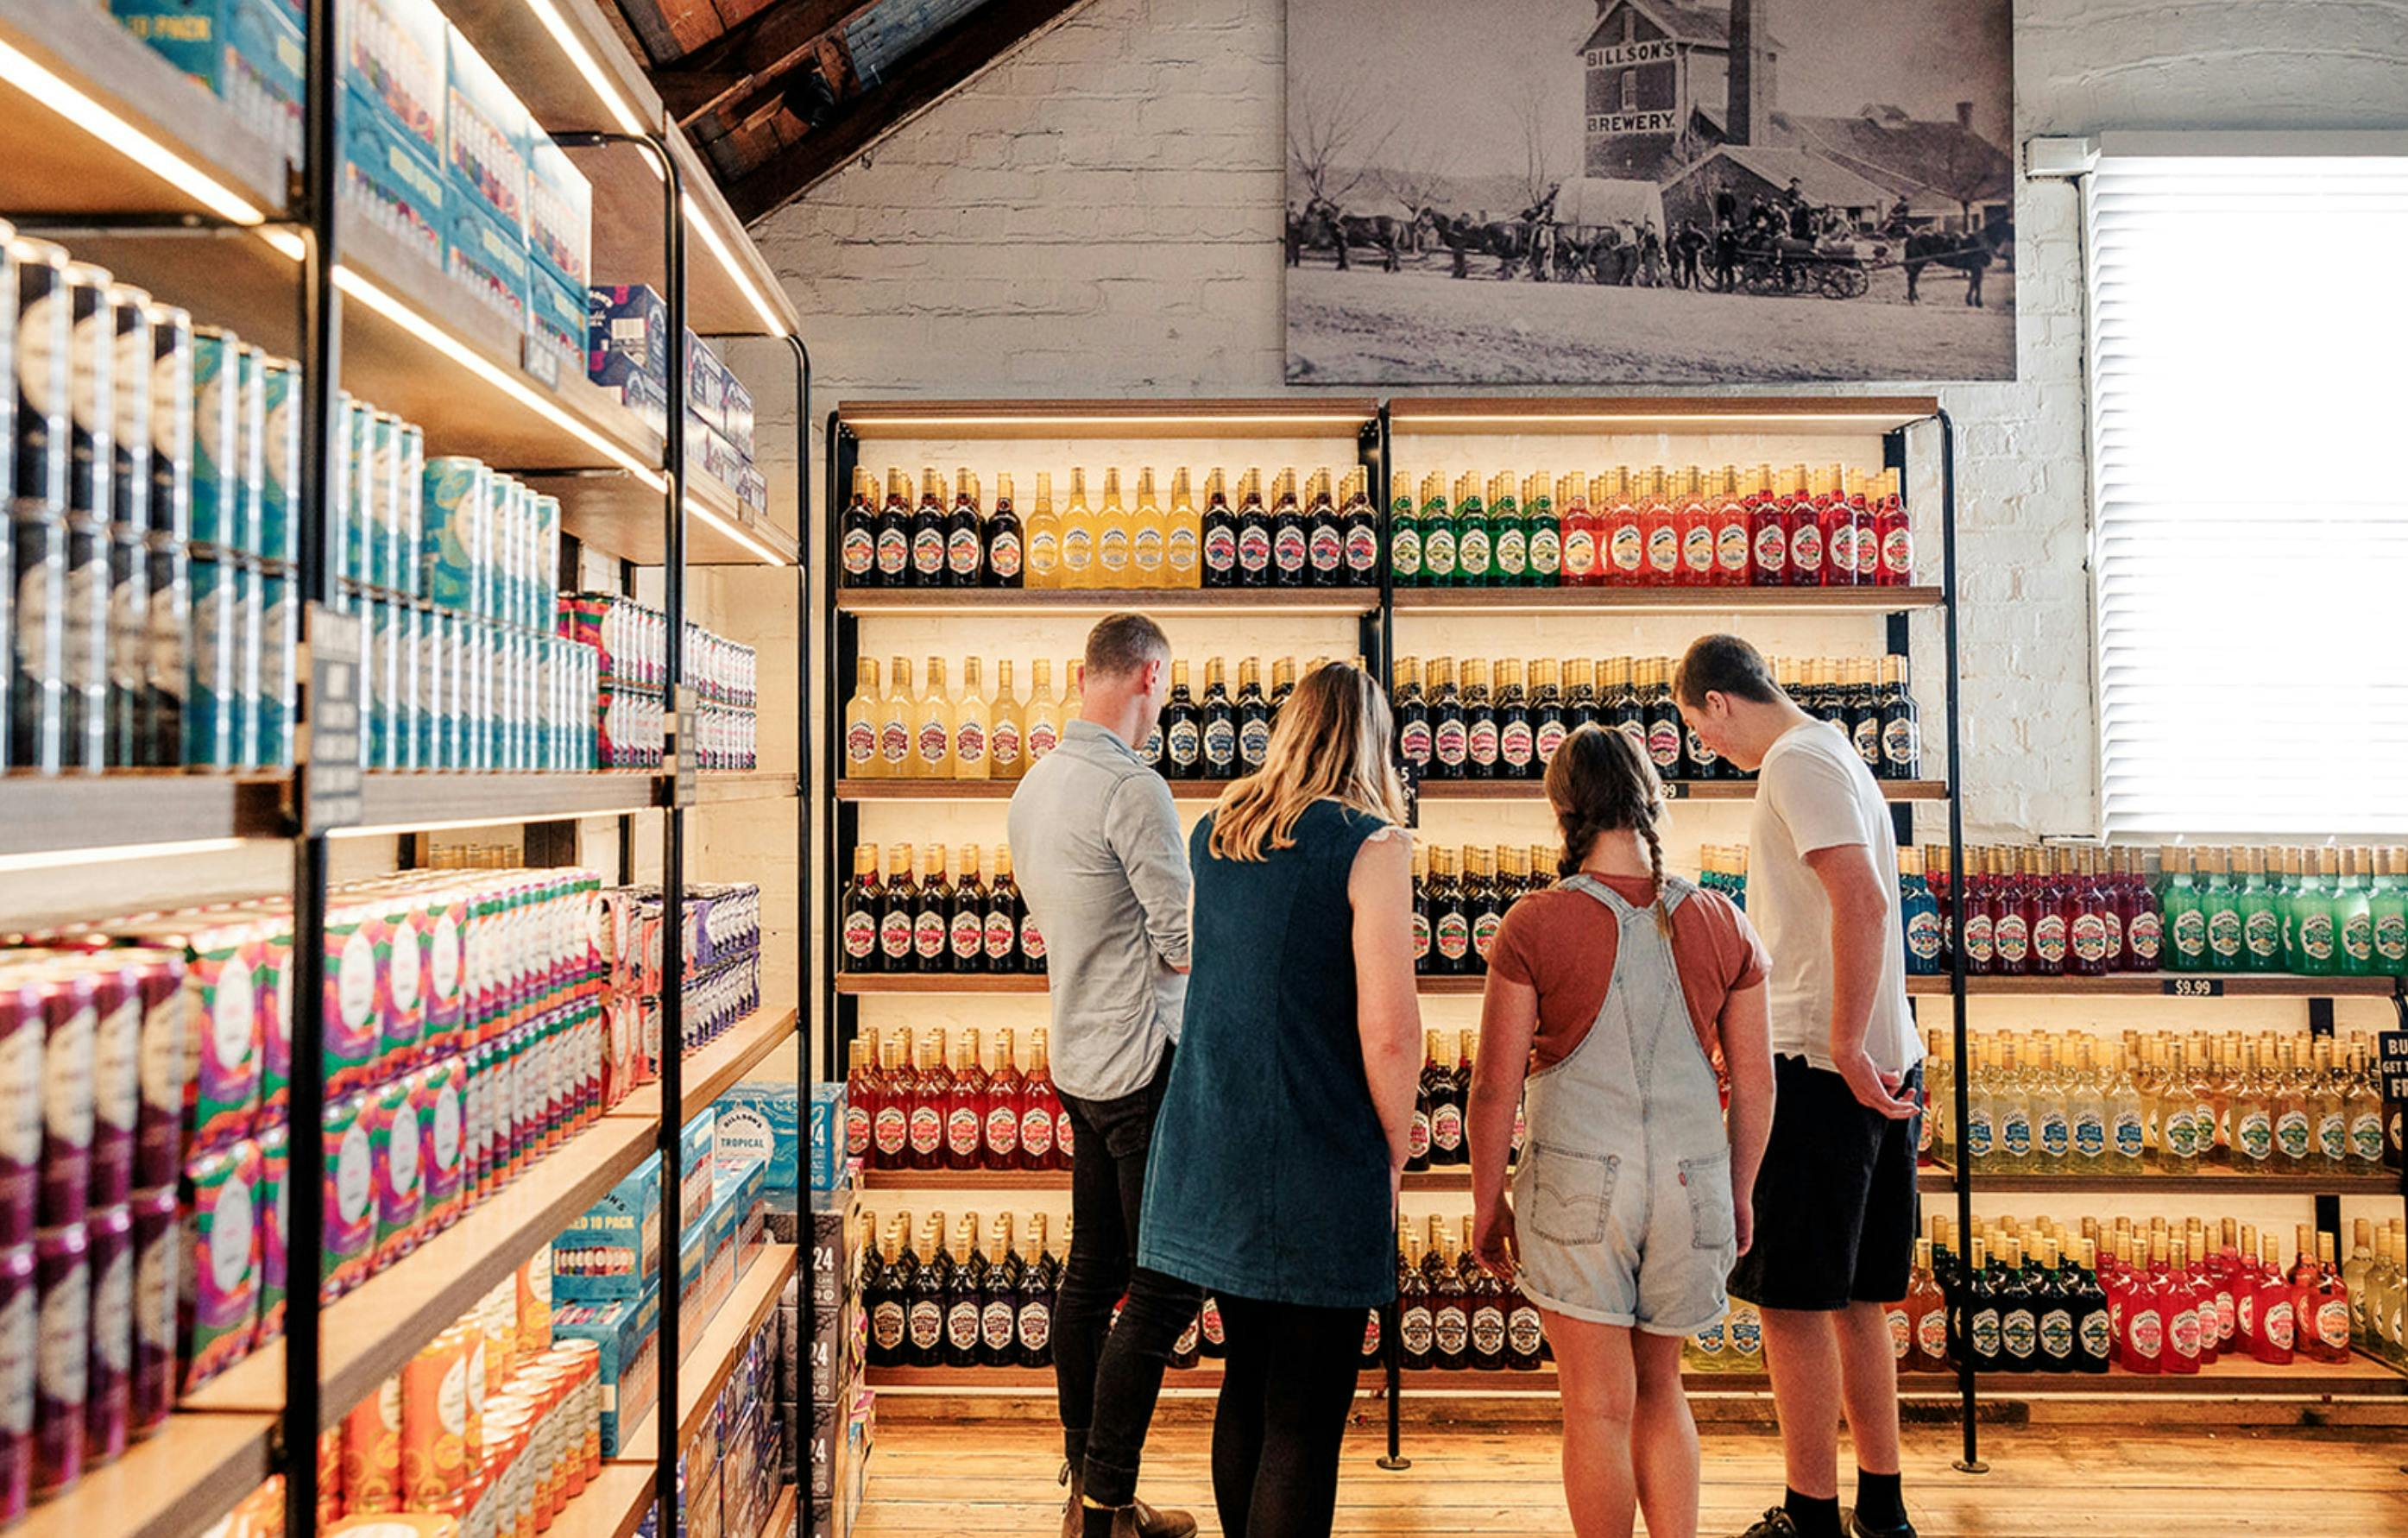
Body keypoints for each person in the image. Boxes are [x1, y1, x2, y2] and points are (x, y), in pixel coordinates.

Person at [1469, 725, 1774, 1538]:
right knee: (1663, 1392)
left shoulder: (1533, 924)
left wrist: (1487, 1199)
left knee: (1598, 1408)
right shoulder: (1723, 921)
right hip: (1692, 1186)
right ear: (1653, 797)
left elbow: (1495, 1088)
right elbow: (1757, 1082)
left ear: (1562, 806)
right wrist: (1739, 1192)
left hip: (1575, 1189)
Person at [1138, 661, 1421, 1538]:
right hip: (1316, 1146)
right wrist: (1396, 1142)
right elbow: (1389, 1032)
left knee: (1249, 1380)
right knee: (1305, 1409)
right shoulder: (1371, 843)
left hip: (1216, 1138)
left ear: (1292, 729)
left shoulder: (1217, 830)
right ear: (1371, 738)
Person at [1670, 635, 1923, 1538]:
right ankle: (1881, 1510)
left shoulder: (1791, 762)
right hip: (1878, 1058)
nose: (1708, 746)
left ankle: (1812, 1516)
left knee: (1792, 1303)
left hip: (1822, 1070)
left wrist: (1843, 1043)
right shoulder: (1839, 750)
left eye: (1700, 727)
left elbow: (1859, 900)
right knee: (1857, 1298)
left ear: (1719, 703)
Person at [1006, 614, 1201, 1538]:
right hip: (1140, 1063)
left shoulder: (1035, 785)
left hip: (1077, 1057)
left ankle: (1087, 1483)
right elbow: (1183, 942)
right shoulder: (1134, 788)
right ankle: (1104, 1504)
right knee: (1162, 1287)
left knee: (1091, 1275)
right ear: (1149, 675)